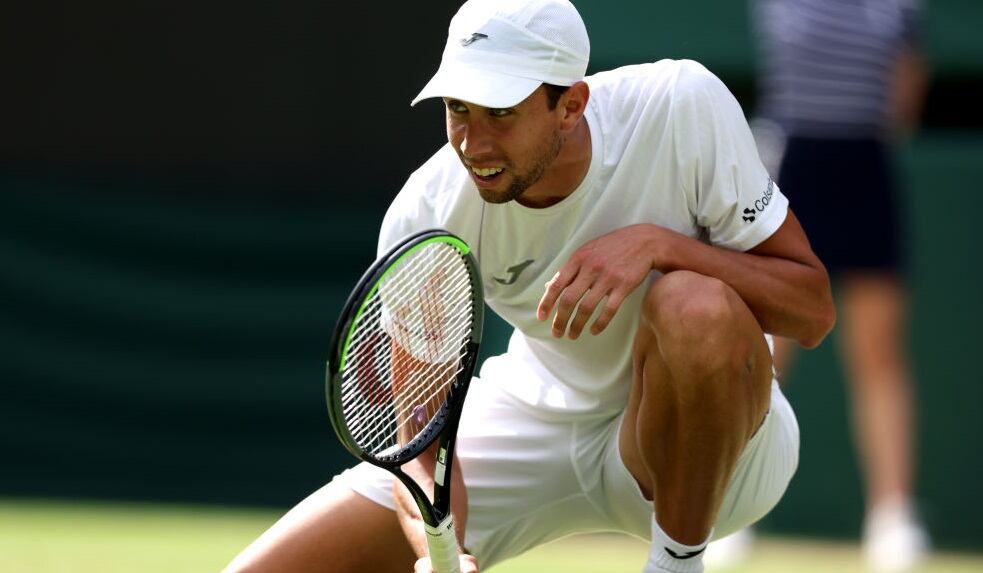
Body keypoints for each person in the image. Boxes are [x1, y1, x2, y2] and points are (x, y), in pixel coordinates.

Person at [224, 1, 834, 572]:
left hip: (723, 458)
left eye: (500, 113)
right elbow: (422, 431)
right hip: (530, 420)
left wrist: (661, 246)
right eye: (458, 109)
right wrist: (442, 551)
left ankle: (676, 561)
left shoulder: (680, 106)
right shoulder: (427, 213)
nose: (473, 143)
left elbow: (811, 312)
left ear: (571, 105)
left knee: (693, 303)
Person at [706, 2, 930, 571]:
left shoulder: (902, 6)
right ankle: (729, 509)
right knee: (765, 352)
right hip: (794, 164)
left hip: (866, 167)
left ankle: (892, 516)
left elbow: (906, 90)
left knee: (878, 352)